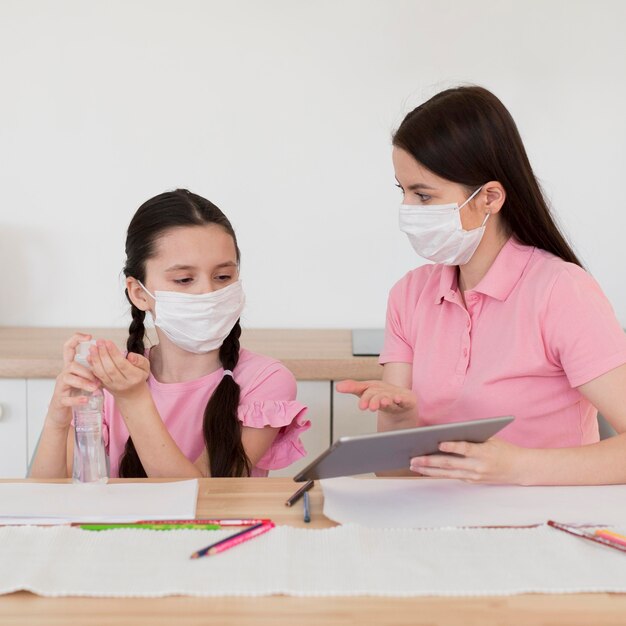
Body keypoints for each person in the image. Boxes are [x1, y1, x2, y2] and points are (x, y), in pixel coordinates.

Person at [338, 86, 626, 485]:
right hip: (442, 523)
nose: (408, 211)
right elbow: (392, 472)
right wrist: (399, 416)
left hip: (545, 526)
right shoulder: (408, 296)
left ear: (489, 198)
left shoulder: (561, 291)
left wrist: (515, 466)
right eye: (402, 192)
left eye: (423, 196)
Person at [30, 189, 309, 478]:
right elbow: (44, 503)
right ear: (139, 293)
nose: (208, 292)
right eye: (184, 279)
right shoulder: (113, 382)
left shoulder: (265, 380)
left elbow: (200, 500)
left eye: (223, 277)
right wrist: (58, 417)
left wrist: (134, 399)